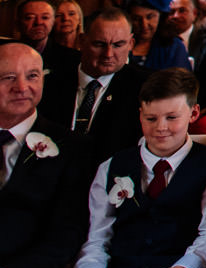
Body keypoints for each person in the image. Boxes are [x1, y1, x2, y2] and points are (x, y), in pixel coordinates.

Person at [69, 68, 206, 268]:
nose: (161, 128)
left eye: (171, 117)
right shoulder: (112, 166)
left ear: (194, 113)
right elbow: (97, 234)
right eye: (151, 118)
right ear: (140, 116)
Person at [0, 41, 94, 268]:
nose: (22, 87)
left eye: (32, 76)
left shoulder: (72, 149)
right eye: (8, 77)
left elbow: (66, 235)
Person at [42, 9, 150, 163]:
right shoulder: (51, 82)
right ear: (82, 41)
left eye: (118, 45)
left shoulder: (144, 88)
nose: (108, 54)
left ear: (131, 43)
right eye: (99, 44)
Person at [125, 0, 190, 71]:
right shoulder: (120, 44)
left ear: (161, 17)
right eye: (136, 19)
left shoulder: (174, 46)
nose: (144, 24)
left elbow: (181, 81)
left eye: (150, 17)